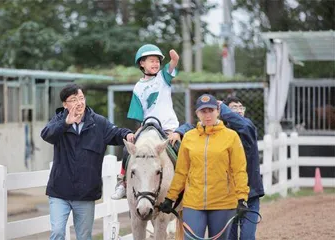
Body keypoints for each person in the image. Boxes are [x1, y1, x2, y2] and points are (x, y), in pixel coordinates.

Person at [40, 84, 135, 240]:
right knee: (57, 232)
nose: (79, 102)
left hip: (85, 193)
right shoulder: (59, 120)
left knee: (84, 236)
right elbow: (46, 134)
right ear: (65, 105)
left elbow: (116, 133)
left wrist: (128, 134)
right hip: (59, 192)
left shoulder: (98, 122)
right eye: (73, 99)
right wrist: (65, 123)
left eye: (81, 98)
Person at [168, 95, 264, 240]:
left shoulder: (235, 134)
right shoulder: (189, 137)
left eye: (211, 110)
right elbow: (181, 171)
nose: (207, 115)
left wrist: (242, 197)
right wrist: (170, 197)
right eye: (203, 111)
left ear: (218, 111)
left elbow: (238, 170)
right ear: (197, 113)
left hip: (227, 200)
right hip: (194, 202)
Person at [111, 43, 180, 200]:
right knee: (129, 148)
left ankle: (187, 183)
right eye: (151, 60)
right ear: (142, 63)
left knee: (181, 147)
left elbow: (172, 65)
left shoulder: (163, 77)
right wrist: (138, 131)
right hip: (148, 127)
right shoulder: (138, 87)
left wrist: (174, 59)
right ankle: (123, 182)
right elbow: (141, 113)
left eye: (157, 61)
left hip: (168, 128)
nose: (155, 64)